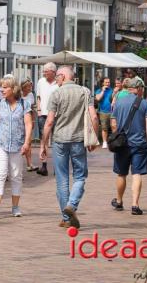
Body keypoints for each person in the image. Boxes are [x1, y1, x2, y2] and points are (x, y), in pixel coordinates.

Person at [39, 66, 99, 229]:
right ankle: (71, 206)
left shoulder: (56, 94)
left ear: (63, 76)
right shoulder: (85, 92)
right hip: (78, 140)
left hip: (59, 140)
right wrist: (94, 138)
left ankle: (66, 216)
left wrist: (43, 144)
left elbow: (49, 122)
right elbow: (93, 116)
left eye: (58, 77)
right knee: (80, 176)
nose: (56, 80)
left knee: (62, 179)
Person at [0, 77, 32, 218]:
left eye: (5, 87)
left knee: (16, 176)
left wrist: (26, 143)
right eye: (1, 87)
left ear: (13, 89)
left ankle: (15, 207)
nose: (2, 89)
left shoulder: (24, 104)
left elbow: (28, 125)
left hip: (17, 145)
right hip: (0, 143)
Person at [109, 78, 147, 215]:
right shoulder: (144, 103)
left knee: (121, 173)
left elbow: (113, 123)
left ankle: (120, 201)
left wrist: (117, 136)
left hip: (122, 143)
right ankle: (135, 205)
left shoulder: (119, 101)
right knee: (137, 173)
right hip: (139, 143)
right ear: (139, 88)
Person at [36, 62, 58, 176]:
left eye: (46, 71)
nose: (44, 72)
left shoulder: (59, 83)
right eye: (43, 70)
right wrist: (39, 110)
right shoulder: (40, 81)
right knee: (43, 140)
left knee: (57, 141)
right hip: (43, 114)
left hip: (56, 115)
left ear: (53, 72)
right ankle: (44, 166)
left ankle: (56, 167)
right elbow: (38, 97)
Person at [20, 78, 38, 172]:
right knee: (19, 142)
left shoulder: (31, 95)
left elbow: (32, 108)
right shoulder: (18, 95)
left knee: (29, 142)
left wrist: (33, 121)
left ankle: (29, 163)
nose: (31, 88)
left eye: (31, 86)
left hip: (28, 119)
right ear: (24, 87)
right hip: (19, 120)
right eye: (29, 86)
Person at [95, 77, 113, 149]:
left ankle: (113, 141)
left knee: (113, 127)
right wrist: (103, 91)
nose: (108, 84)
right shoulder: (98, 90)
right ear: (103, 83)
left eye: (109, 82)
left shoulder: (112, 90)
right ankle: (105, 142)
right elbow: (98, 98)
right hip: (103, 112)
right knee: (104, 128)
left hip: (112, 111)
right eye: (106, 82)